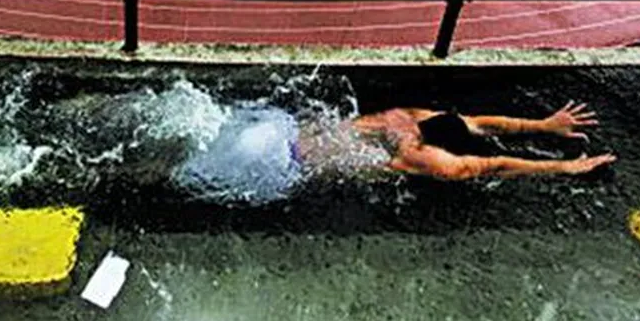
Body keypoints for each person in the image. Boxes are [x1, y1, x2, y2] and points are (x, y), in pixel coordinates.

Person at [174, 101, 614, 202]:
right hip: (275, 165)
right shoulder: (426, 158)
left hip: (273, 129)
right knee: (180, 180)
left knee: (187, 138)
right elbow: (492, 162)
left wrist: (542, 125)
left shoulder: (411, 116)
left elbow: (482, 123)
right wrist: (566, 167)